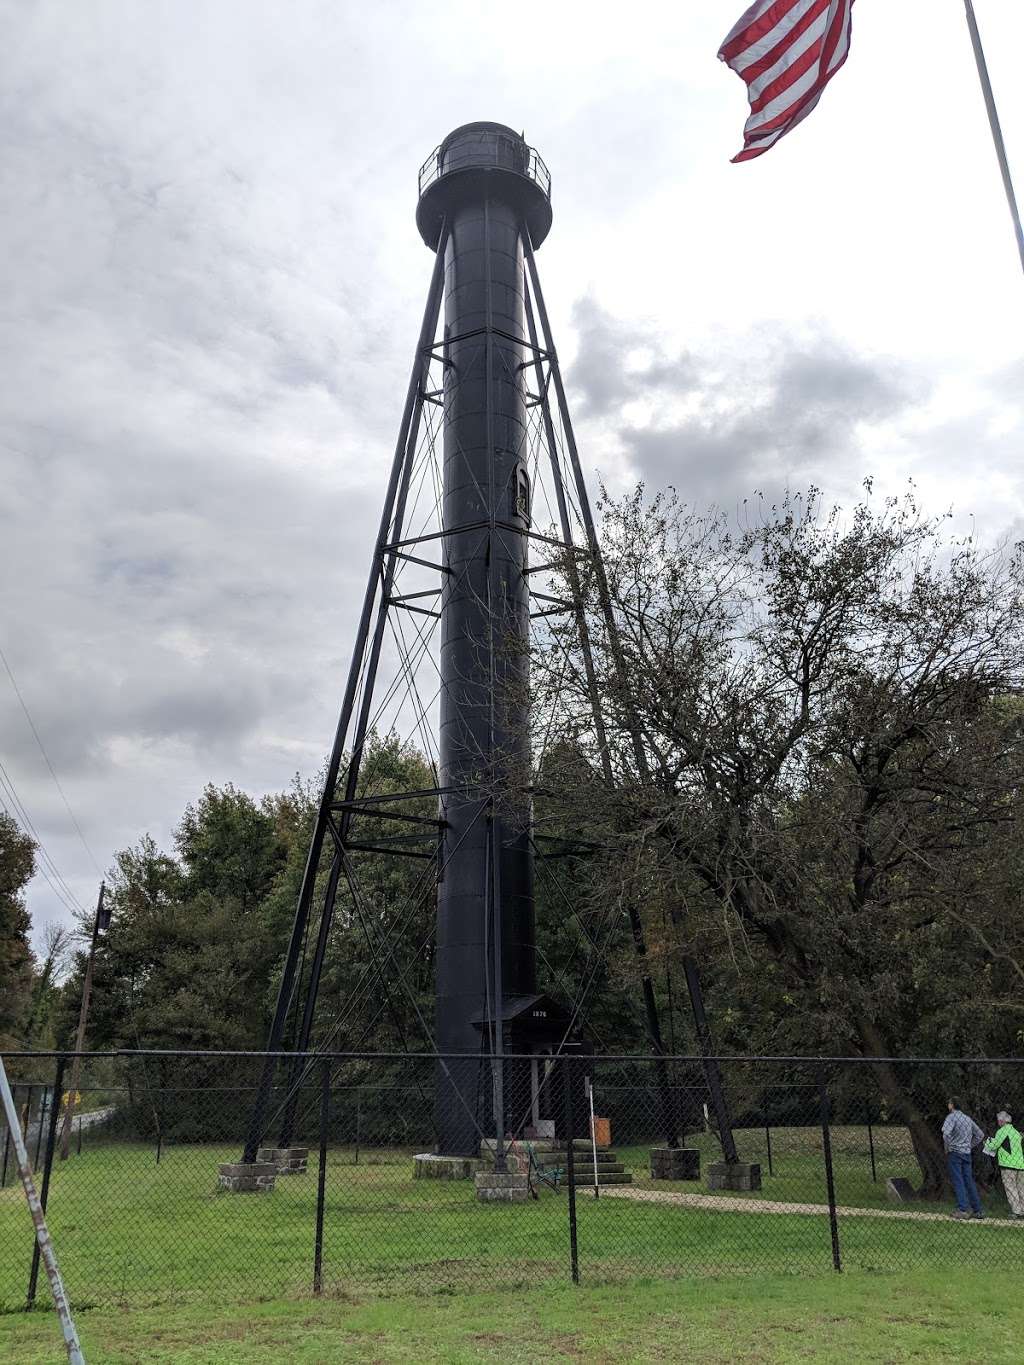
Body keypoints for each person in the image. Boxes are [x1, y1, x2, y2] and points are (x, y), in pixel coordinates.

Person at [942, 1098, 985, 1220]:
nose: (948, 1104)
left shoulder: (951, 1117)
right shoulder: (967, 1118)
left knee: (958, 1180)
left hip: (955, 1153)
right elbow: (980, 1135)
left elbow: (946, 1134)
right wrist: (969, 1145)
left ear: (952, 1105)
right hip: (967, 1153)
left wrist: (948, 1147)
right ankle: (978, 1210)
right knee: (969, 1180)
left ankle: (962, 1209)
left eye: (949, 1102)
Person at [982, 1109, 1024, 1218]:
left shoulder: (1002, 1131)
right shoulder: (1016, 1132)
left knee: (1011, 1188)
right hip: (1020, 1164)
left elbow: (994, 1145)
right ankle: (1023, 1209)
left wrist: (986, 1142)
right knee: (1021, 1188)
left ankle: (1016, 1211)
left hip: (1008, 1164)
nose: (998, 1122)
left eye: (998, 1121)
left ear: (1001, 1121)